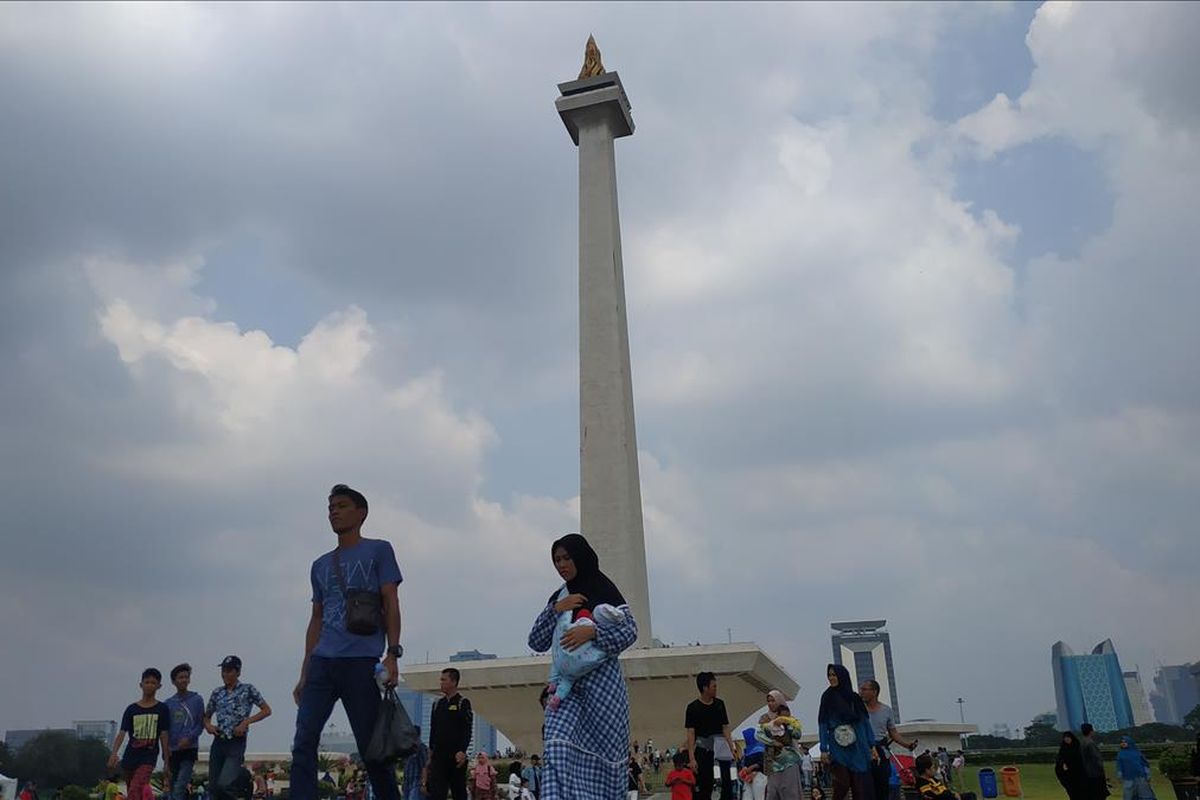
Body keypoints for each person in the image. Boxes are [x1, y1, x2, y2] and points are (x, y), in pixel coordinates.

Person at [292, 484, 404, 800]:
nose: (334, 512)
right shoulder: (320, 565)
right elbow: (316, 618)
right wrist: (305, 669)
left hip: (361, 661)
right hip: (322, 663)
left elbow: (390, 601)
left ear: (361, 512)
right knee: (303, 740)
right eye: (330, 507)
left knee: (372, 749)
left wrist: (393, 654)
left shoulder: (379, 550)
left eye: (341, 506)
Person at [527, 534, 638, 800]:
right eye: (556, 560)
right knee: (556, 745)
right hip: (567, 690)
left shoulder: (603, 590)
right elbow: (536, 641)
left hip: (603, 691)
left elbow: (630, 631)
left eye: (566, 558)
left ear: (581, 557)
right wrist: (556, 609)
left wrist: (593, 634)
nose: (561, 565)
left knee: (606, 761)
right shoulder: (561, 596)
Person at [203, 657, 270, 800]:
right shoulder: (217, 693)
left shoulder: (248, 689)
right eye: (223, 671)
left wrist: (246, 722)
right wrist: (208, 726)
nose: (225, 674)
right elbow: (206, 716)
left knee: (224, 783)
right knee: (214, 787)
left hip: (236, 742)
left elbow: (266, 710)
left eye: (229, 671)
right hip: (219, 741)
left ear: (238, 672)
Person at [546, 602, 627, 710]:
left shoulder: (584, 621)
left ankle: (553, 683)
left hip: (564, 657)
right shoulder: (600, 640)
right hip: (576, 672)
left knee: (557, 666)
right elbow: (604, 654)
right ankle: (557, 697)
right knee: (567, 681)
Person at [108, 668, 172, 800]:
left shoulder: (162, 709)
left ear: (159, 686)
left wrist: (166, 761)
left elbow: (164, 736)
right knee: (132, 789)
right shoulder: (132, 709)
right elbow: (122, 733)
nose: (149, 685)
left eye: (153, 683)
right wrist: (114, 753)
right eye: (147, 682)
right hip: (130, 756)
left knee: (135, 789)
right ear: (141, 684)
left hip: (148, 757)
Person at [818, 665, 877, 800]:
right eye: (829, 675)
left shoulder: (854, 698)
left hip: (858, 746)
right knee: (842, 784)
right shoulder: (827, 697)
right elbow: (823, 723)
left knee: (859, 787)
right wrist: (823, 749)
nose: (831, 678)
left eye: (834, 675)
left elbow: (865, 722)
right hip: (838, 746)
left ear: (842, 676)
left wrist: (871, 745)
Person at [860, 680, 916, 800]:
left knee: (882, 788)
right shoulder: (858, 709)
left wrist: (907, 744)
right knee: (864, 788)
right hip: (863, 752)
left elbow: (893, 733)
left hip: (881, 753)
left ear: (874, 692)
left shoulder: (886, 710)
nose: (861, 692)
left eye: (865, 689)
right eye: (861, 689)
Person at [423, 668, 473, 800]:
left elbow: (467, 729)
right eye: (441, 680)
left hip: (456, 758)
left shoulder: (463, 703)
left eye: (444, 680)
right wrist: (430, 754)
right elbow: (433, 730)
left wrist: (462, 750)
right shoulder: (437, 704)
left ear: (454, 682)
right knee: (437, 793)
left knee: (458, 792)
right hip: (438, 757)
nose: (441, 683)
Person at [686, 672, 737, 800]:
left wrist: (732, 748)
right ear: (705, 688)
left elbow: (725, 727)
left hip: (721, 749)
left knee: (727, 784)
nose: (716, 689)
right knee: (704, 786)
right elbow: (691, 733)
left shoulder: (720, 704)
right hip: (703, 750)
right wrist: (692, 758)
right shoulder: (693, 708)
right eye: (713, 686)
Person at [166, 663, 206, 800]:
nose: (183, 680)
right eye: (180, 677)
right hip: (173, 750)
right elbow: (165, 729)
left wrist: (189, 738)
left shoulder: (197, 699)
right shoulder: (168, 704)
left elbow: (201, 723)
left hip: (189, 749)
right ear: (173, 681)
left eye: (186, 677)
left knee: (181, 785)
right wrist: (166, 750)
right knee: (173, 785)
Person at [754, 696, 804, 800]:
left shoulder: (792, 722)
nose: (771, 704)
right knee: (773, 791)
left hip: (790, 760)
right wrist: (773, 742)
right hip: (773, 760)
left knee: (790, 791)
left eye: (773, 701)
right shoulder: (767, 721)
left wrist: (789, 724)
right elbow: (758, 734)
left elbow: (797, 734)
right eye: (768, 701)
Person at [1079, 724, 1109, 800]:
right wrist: (1104, 773)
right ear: (1091, 731)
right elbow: (1097, 759)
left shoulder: (1082, 742)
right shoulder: (1090, 743)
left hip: (1087, 774)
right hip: (1095, 774)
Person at [1056, 731, 1087, 800]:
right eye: (1065, 738)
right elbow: (1060, 758)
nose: (1067, 739)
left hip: (1079, 773)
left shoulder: (1077, 746)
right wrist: (1063, 763)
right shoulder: (1063, 748)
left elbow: (1082, 758)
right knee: (1072, 792)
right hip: (1068, 774)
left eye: (1068, 738)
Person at [401, 727, 428, 800]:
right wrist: (404, 783)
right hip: (408, 784)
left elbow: (425, 767)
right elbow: (406, 768)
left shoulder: (422, 748)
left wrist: (424, 784)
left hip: (417, 784)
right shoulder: (408, 750)